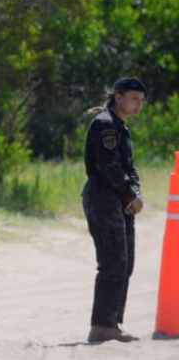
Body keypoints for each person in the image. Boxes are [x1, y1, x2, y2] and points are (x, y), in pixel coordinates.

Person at [82, 77, 147, 343]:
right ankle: (102, 325)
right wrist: (130, 194)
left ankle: (112, 323)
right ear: (118, 97)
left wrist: (136, 194)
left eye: (141, 101)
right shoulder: (105, 125)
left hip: (119, 200)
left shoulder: (119, 126)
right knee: (112, 262)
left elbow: (128, 168)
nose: (138, 105)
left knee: (125, 263)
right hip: (103, 199)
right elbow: (108, 168)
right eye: (134, 98)